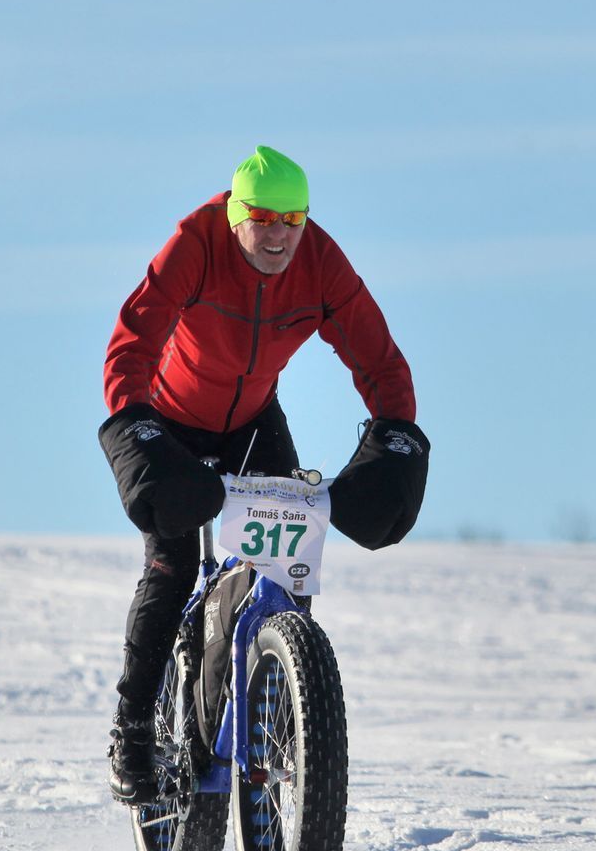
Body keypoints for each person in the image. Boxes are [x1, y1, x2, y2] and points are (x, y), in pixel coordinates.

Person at [98, 145, 430, 804]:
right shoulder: (197, 243)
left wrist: (395, 433)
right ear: (234, 213)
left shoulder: (319, 261)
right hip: (170, 421)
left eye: (293, 219)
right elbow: (134, 338)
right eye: (263, 216)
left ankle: (275, 715)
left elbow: (381, 362)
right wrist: (135, 422)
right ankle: (132, 732)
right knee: (168, 570)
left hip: (253, 423)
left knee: (287, 569)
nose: (279, 233)